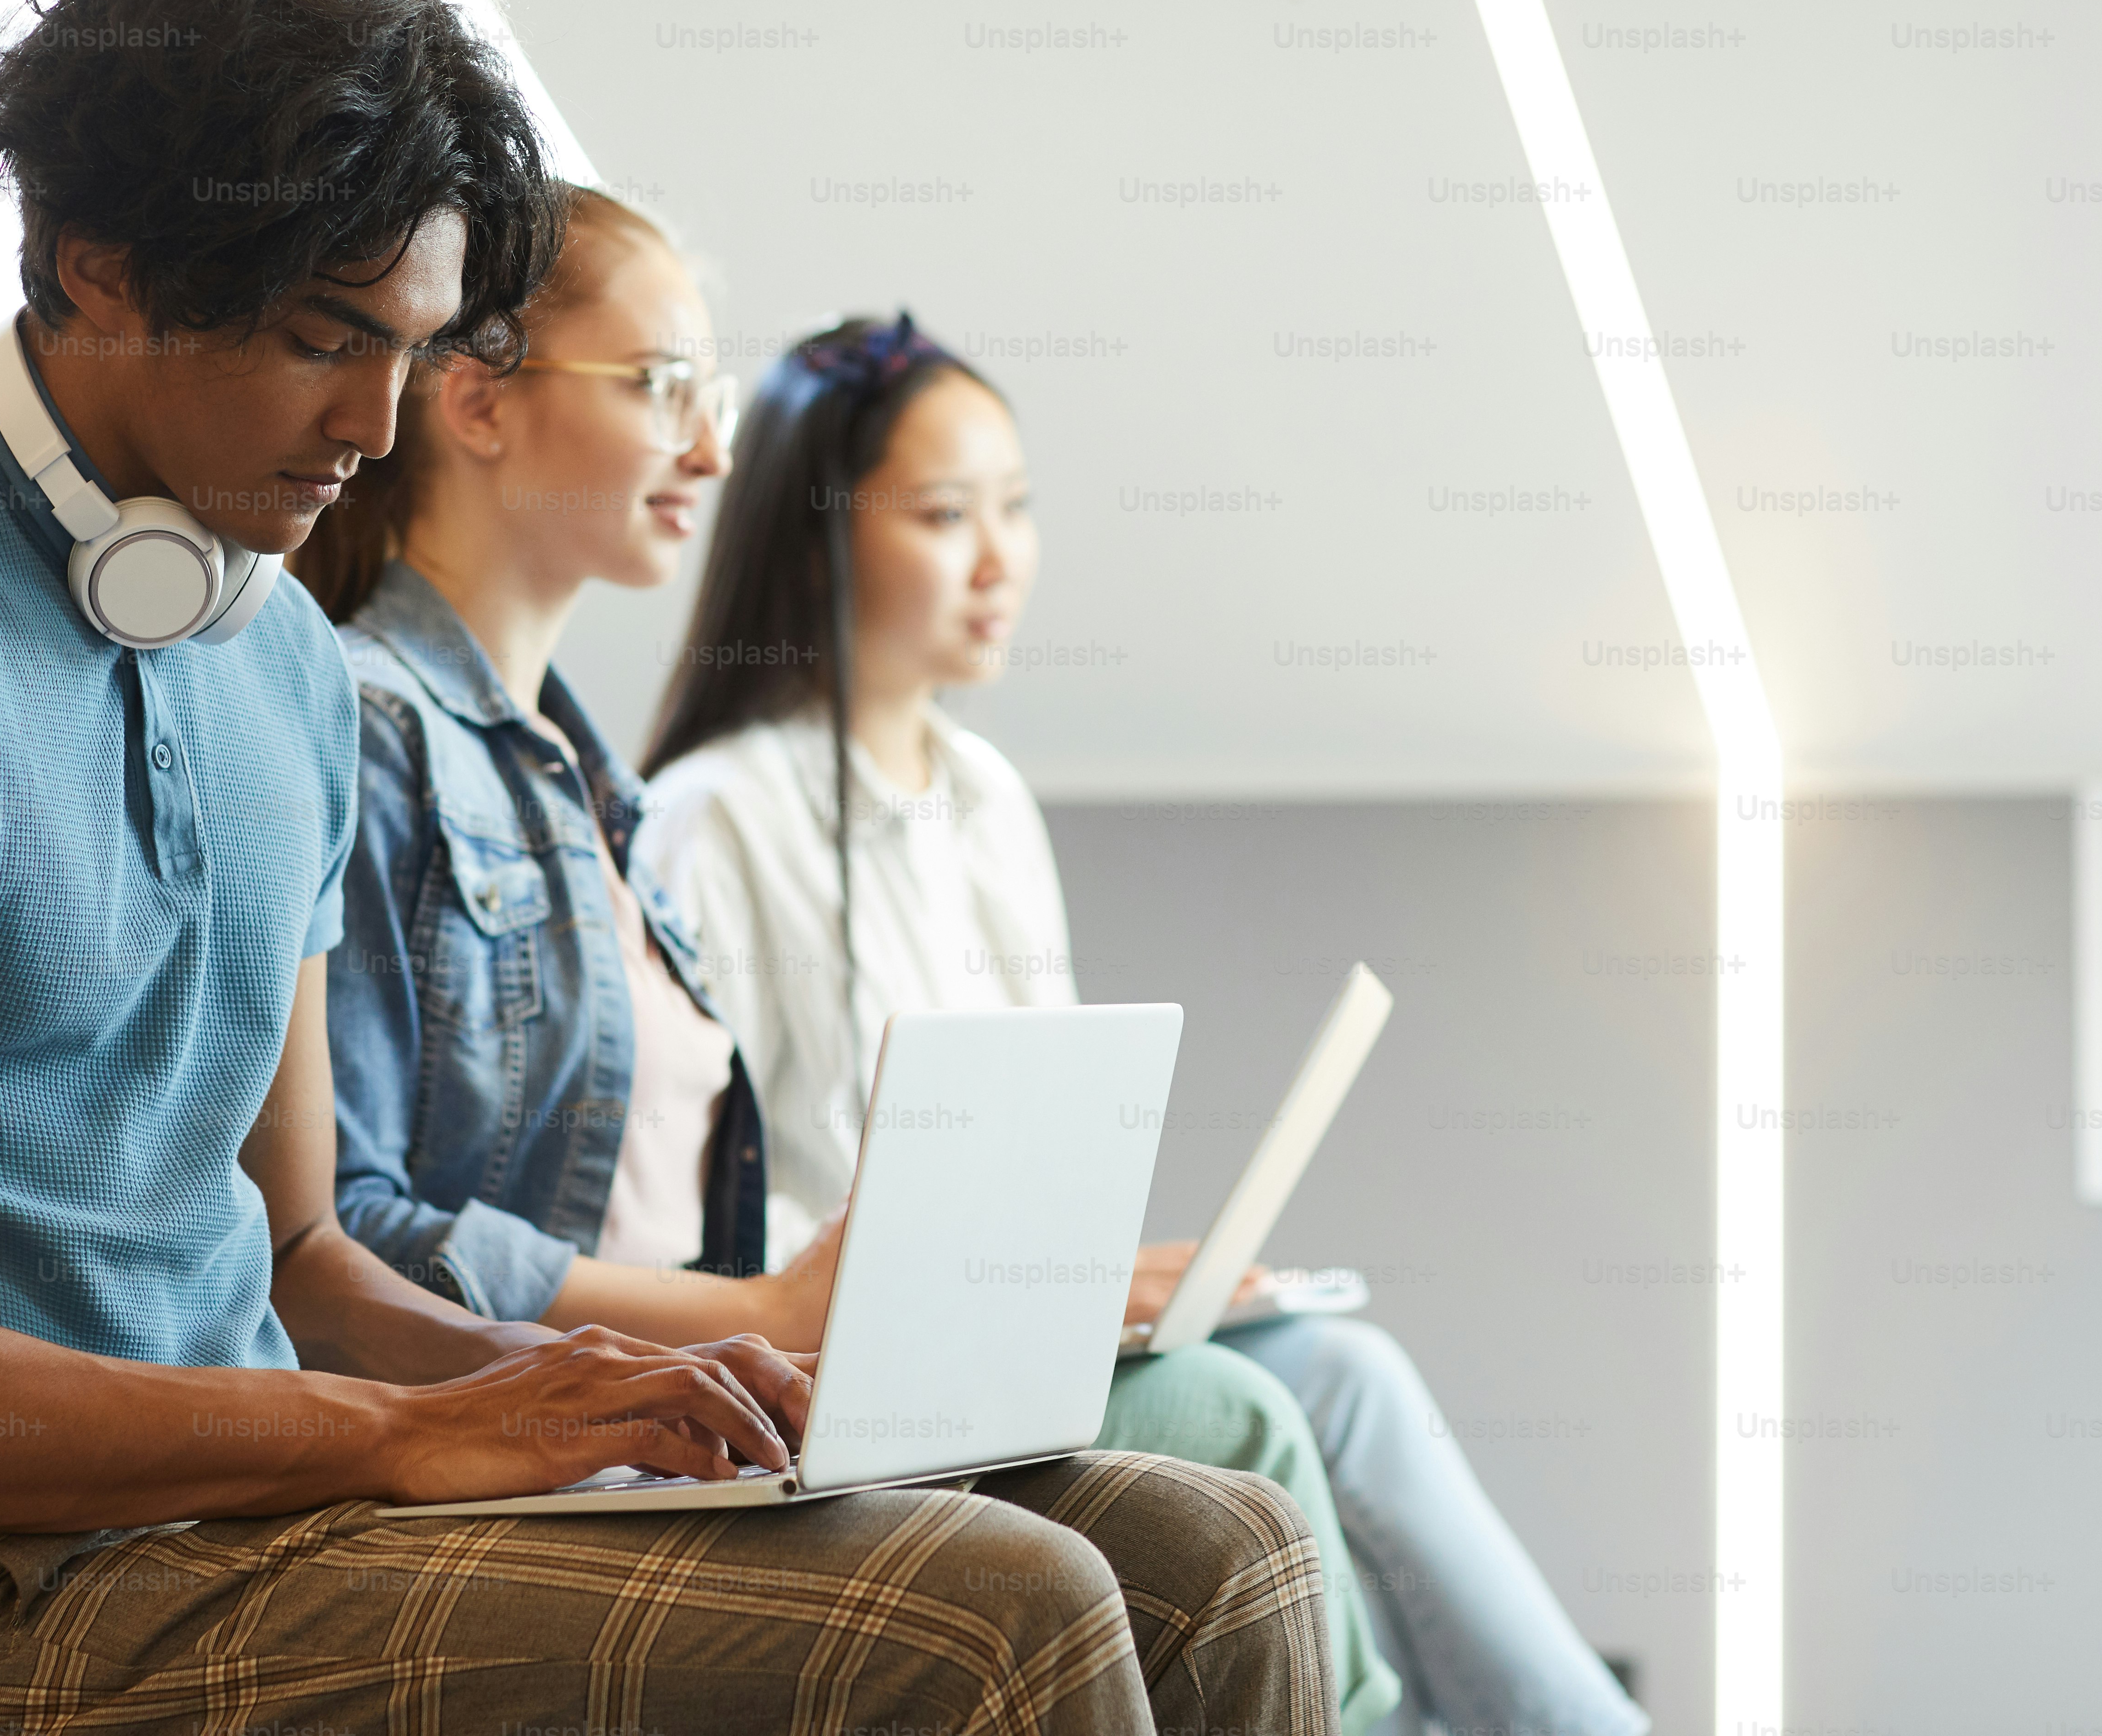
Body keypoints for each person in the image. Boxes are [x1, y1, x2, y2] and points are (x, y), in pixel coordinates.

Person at [0, 0, 1333, 1736]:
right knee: (998, 1615)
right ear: (94, 262)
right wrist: (399, 1431)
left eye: (414, 346)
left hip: (265, 1520)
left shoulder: (267, 657)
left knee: (1219, 1547)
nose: (380, 415)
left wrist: (579, 1379)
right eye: (322, 337)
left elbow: (295, 1263)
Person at [289, 187, 1406, 1733]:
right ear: (475, 399)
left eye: (713, 394)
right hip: (559, 1430)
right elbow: (342, 1236)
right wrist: (761, 1311)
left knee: (1239, 1528)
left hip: (707, 1382)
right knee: (1118, 1532)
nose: (713, 448)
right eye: (661, 385)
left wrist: (808, 1308)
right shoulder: (363, 727)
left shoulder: (584, 784)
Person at [635, 314, 1653, 1736]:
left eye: (1017, 511)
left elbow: (1031, 1140)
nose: (1002, 561)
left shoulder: (983, 797)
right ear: (813, 541)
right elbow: (703, 1223)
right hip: (855, 1368)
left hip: (1016, 1338)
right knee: (1295, 1407)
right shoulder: (715, 817)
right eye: (944, 517)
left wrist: (1104, 1274)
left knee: (1346, 1363)